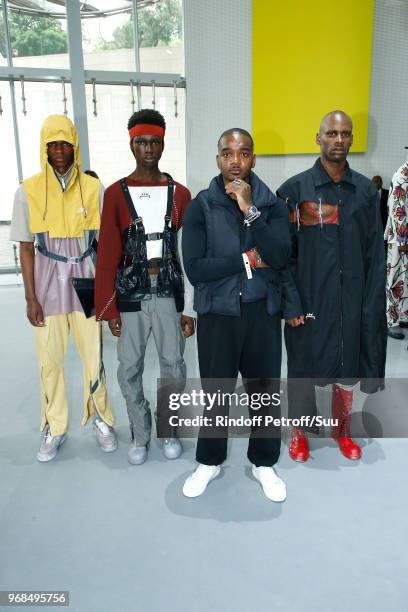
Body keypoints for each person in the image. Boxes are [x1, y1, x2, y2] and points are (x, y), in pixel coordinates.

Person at [181, 128, 291, 502]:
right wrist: (246, 260)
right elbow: (196, 269)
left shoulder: (272, 205)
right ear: (218, 159)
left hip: (261, 313)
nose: (235, 161)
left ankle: (263, 463)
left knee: (264, 394)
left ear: (253, 159)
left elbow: (279, 255)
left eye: (243, 153)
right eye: (227, 153)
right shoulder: (201, 206)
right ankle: (209, 462)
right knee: (216, 393)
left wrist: (250, 210)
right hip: (218, 315)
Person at [277, 110, 387, 463]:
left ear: (351, 139)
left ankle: (342, 431)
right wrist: (291, 303)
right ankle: (299, 433)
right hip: (309, 299)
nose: (339, 140)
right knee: (303, 367)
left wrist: (371, 303)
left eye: (345, 134)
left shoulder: (367, 192)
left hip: (351, 298)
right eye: (332, 133)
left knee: (347, 364)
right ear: (318, 138)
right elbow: (283, 255)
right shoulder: (294, 191)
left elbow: (375, 251)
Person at [10, 114, 117, 462]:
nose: (58, 151)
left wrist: (108, 293)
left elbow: (105, 245)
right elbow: (26, 247)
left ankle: (102, 420)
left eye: (64, 144)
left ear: (75, 147)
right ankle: (54, 428)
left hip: (86, 285)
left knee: (94, 358)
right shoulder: (27, 191)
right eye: (52, 145)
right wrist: (30, 297)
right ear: (44, 148)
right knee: (50, 363)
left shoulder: (92, 188)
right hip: (46, 287)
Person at [95, 108, 194, 465]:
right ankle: (140, 431)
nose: (148, 148)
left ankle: (170, 430)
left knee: (173, 364)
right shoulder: (115, 194)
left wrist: (189, 308)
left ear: (163, 144)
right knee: (129, 367)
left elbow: (190, 253)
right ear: (132, 144)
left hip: (168, 290)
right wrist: (109, 308)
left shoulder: (180, 194)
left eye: (155, 142)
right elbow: (107, 251)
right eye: (141, 142)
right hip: (131, 293)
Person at [384, 159, 408, 340]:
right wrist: (402, 239)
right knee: (394, 279)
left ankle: (403, 315)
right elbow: (396, 208)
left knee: (405, 280)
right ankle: (390, 321)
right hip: (399, 238)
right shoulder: (401, 175)